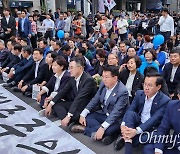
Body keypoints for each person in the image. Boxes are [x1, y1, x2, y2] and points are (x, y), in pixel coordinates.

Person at [70, 65, 129, 146]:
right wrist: (83, 113)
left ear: (115, 78)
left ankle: (86, 130)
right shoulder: (103, 84)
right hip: (104, 113)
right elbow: (95, 99)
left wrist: (102, 128)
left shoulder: (122, 91)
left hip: (116, 119)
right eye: (103, 76)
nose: (104, 79)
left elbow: (116, 112)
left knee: (107, 130)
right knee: (88, 117)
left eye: (107, 77)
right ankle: (107, 135)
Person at [118, 72, 170, 153]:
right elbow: (131, 110)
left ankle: (126, 137)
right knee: (130, 114)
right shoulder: (139, 93)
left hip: (152, 128)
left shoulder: (165, 100)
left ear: (158, 87)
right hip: (139, 121)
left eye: (150, 85)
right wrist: (123, 125)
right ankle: (128, 149)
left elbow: (154, 119)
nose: (146, 88)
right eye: (145, 84)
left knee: (137, 139)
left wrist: (136, 131)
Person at [45, 56, 97, 127]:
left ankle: (70, 120)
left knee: (74, 115)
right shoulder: (73, 77)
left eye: (72, 67)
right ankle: (69, 121)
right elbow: (63, 91)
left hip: (86, 106)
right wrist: (50, 104)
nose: (69, 70)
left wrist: (69, 115)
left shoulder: (88, 80)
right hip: (76, 103)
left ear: (80, 68)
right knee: (56, 104)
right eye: (69, 67)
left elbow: (79, 98)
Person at [143, 84, 180, 154]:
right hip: (176, 146)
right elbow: (163, 128)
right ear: (178, 96)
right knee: (149, 149)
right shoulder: (172, 105)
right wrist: (158, 150)